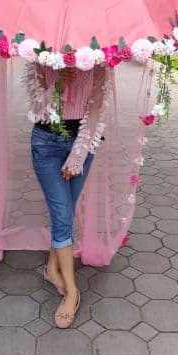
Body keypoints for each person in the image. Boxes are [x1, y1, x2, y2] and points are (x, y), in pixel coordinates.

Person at [25, 62, 107, 328]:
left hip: (83, 143)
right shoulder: (39, 54)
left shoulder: (100, 58)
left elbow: (96, 108)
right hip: (46, 143)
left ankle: (51, 269)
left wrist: (78, 156)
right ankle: (72, 291)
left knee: (66, 211)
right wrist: (60, 82)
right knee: (62, 213)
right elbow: (38, 109)